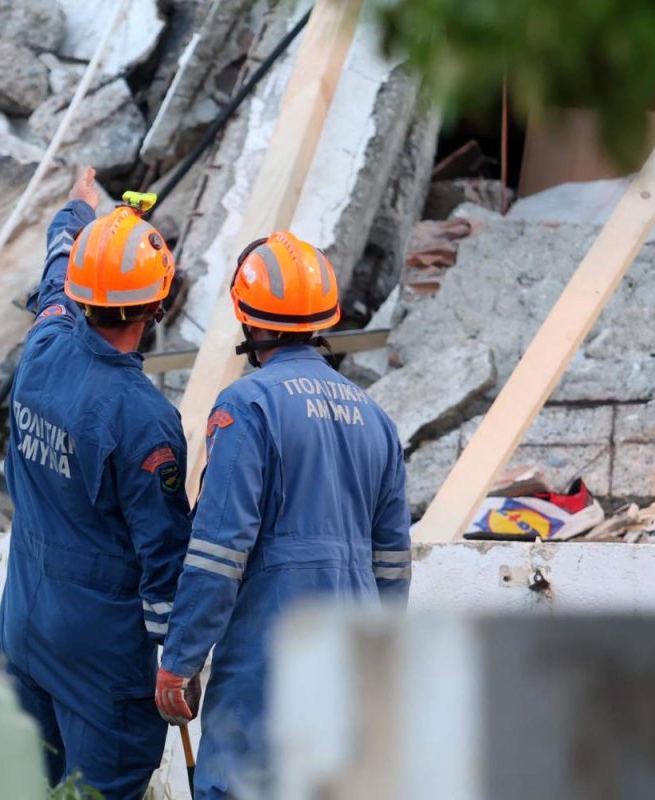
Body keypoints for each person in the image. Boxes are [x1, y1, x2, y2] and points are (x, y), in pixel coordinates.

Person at [153, 231, 411, 798]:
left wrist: (181, 659)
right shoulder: (374, 418)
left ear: (247, 317)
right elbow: (393, 565)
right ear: (324, 316)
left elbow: (219, 551)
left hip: (269, 657)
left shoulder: (247, 407)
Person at [0, 167, 192, 799]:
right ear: (158, 305)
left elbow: (57, 277)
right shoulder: (145, 420)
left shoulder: (44, 344)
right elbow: (164, 556)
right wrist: (178, 659)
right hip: (100, 657)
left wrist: (76, 215)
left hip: (28, 621)